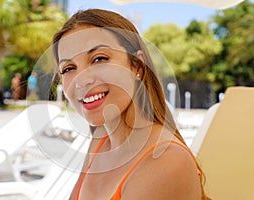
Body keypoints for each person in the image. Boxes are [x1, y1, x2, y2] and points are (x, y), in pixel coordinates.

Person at [52, 9, 210, 199]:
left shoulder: (166, 161)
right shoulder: (101, 142)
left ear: (136, 66)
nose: (81, 80)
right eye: (68, 68)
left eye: (99, 58)